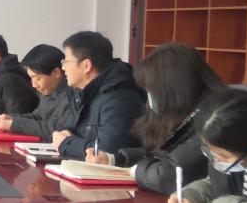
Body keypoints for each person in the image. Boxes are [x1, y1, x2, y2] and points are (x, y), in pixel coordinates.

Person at [88, 42, 224, 195]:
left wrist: (134, 171)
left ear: (172, 87)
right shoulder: (186, 110)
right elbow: (163, 156)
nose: (150, 96)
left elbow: (168, 175)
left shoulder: (215, 116)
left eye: (152, 89)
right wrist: (116, 159)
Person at [53, 31, 144, 159]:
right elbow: (70, 128)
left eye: (66, 61)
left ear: (86, 66)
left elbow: (105, 153)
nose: (63, 68)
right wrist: (65, 132)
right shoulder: (81, 92)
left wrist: (65, 144)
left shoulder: (119, 99)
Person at [0, 44, 74, 140]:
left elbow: (58, 130)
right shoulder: (48, 90)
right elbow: (38, 117)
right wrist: (12, 118)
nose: (34, 85)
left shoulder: (74, 96)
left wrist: (15, 124)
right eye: (31, 78)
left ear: (56, 73)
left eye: (37, 78)